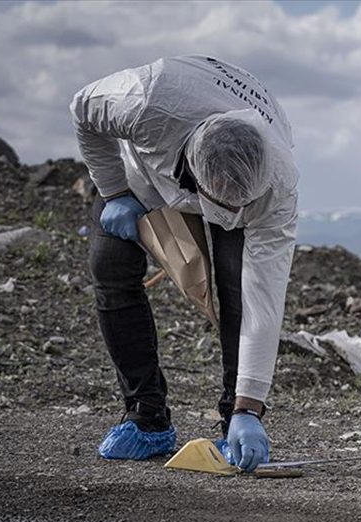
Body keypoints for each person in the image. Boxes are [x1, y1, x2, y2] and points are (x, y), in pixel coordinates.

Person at [70, 56, 298, 472]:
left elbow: (264, 299)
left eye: (236, 206)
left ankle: (234, 419)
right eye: (220, 204)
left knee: (236, 289)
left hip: (234, 167)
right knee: (110, 267)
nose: (227, 216)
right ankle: (147, 417)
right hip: (140, 173)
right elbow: (83, 108)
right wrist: (114, 189)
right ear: (192, 176)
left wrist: (250, 406)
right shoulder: (145, 102)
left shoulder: (275, 186)